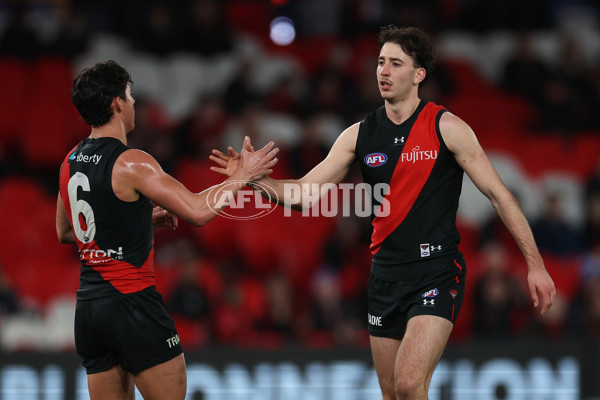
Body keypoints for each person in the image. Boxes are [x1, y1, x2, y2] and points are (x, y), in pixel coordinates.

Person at [210, 26, 556, 400]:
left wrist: (534, 264)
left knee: (409, 382)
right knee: (393, 394)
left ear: (418, 74)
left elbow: (499, 195)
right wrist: (251, 179)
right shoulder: (358, 134)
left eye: (395, 63)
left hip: (436, 273)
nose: (383, 72)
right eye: (380, 63)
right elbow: (304, 194)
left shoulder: (447, 127)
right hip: (385, 277)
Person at [55, 60, 278, 400]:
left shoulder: (69, 161)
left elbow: (67, 232)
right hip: (133, 305)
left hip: (89, 312)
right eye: (130, 96)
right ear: (117, 103)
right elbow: (198, 211)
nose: (133, 104)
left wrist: (139, 221)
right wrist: (242, 177)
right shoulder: (132, 162)